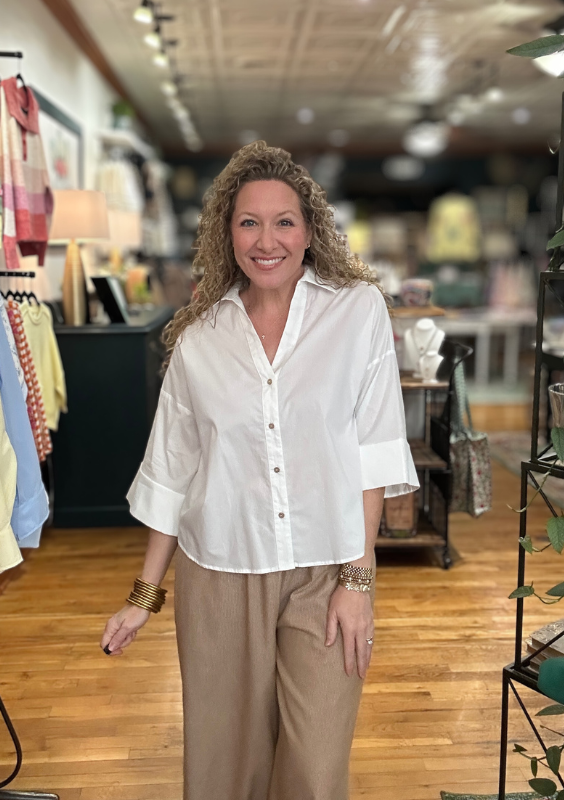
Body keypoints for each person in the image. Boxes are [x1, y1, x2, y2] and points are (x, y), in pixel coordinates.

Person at [101, 141, 418, 800]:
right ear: (227, 234)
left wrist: (359, 578)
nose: (266, 239)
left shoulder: (356, 311)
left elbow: (375, 449)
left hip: (328, 568)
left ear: (309, 233)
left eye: (283, 222)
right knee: (224, 768)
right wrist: (143, 595)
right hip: (220, 571)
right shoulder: (198, 341)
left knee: (315, 767)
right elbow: (173, 469)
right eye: (249, 222)